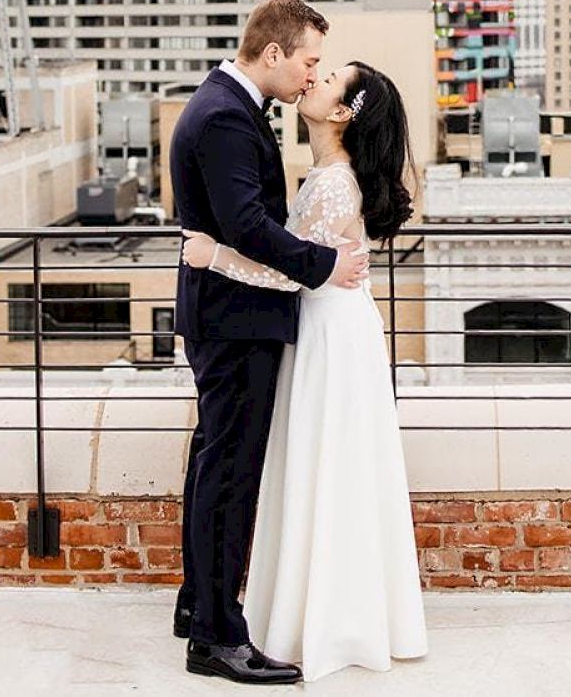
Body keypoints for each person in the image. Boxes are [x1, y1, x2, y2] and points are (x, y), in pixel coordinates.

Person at [182, 59, 429, 682]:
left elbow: (287, 268)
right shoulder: (326, 175)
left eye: (328, 80)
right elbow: (301, 258)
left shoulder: (331, 184)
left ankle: (318, 616)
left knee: (325, 469)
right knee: (328, 468)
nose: (313, 80)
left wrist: (213, 256)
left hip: (327, 331)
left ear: (344, 113)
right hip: (331, 325)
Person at [169, 0, 371, 685]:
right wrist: (324, 266)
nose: (310, 73)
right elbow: (248, 226)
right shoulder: (227, 114)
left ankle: (199, 604)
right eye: (308, 60)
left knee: (213, 466)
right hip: (236, 319)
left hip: (228, 315)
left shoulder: (225, 104)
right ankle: (216, 638)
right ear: (275, 52)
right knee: (229, 478)